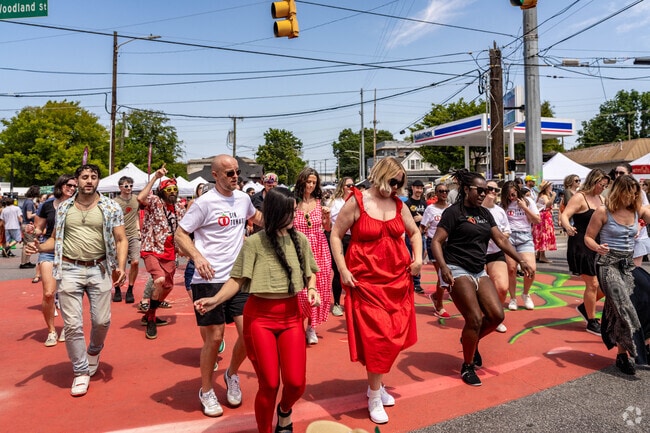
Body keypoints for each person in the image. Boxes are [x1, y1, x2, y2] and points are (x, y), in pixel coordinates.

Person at [194, 187, 319, 433]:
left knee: (296, 384)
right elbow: (237, 281)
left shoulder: (300, 240)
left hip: (292, 317)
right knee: (269, 383)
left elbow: (310, 272)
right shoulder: (254, 243)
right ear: (275, 212)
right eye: (290, 211)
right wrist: (215, 300)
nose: (295, 215)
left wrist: (312, 288)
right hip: (260, 319)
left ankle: (284, 411)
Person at [330, 157, 421, 425]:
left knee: (393, 336)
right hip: (366, 283)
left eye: (399, 184)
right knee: (378, 338)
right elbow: (335, 235)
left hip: (397, 281)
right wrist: (343, 270)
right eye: (393, 181)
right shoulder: (356, 201)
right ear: (382, 175)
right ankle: (373, 394)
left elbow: (414, 233)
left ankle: (377, 385)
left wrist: (417, 258)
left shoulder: (398, 204)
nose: (396, 187)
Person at [27, 164, 127, 396]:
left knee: (101, 321)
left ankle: (94, 350)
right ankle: (80, 370)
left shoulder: (110, 207)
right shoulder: (63, 208)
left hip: (99, 268)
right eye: (84, 177)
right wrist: (39, 247)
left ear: (98, 181)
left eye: (93, 177)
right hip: (70, 269)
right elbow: (54, 240)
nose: (89, 181)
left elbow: (121, 239)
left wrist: (120, 267)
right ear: (77, 181)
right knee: (72, 325)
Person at [176, 154, 264, 417]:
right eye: (229, 173)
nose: (235, 177)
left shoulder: (243, 199)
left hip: (238, 278)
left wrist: (284, 221)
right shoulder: (204, 204)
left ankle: (231, 374)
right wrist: (197, 257)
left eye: (237, 172)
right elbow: (180, 235)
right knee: (214, 339)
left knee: (249, 335)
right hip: (208, 279)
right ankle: (206, 390)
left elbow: (256, 217)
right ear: (215, 175)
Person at [431, 169, 534, 387]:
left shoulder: (485, 213)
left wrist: (521, 260)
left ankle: (470, 340)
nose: (483, 194)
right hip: (457, 268)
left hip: (479, 270)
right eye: (479, 190)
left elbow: (501, 240)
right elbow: (437, 241)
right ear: (467, 189)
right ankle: (467, 366)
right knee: (475, 319)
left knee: (497, 316)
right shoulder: (453, 212)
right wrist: (443, 267)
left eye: (486, 190)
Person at [584, 174, 650, 375]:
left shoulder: (637, 210)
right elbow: (588, 237)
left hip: (628, 264)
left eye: (636, 192)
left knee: (647, 295)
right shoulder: (603, 212)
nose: (632, 196)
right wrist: (597, 247)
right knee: (623, 305)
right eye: (629, 192)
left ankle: (644, 343)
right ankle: (626, 355)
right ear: (619, 191)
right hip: (607, 264)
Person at [137, 165, 186, 340]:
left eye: (175, 189)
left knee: (168, 286)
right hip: (151, 248)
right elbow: (141, 197)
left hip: (170, 251)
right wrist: (155, 177)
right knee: (158, 280)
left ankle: (150, 313)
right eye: (169, 189)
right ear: (162, 191)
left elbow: (182, 230)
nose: (172, 192)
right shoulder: (155, 202)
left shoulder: (179, 208)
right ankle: (150, 318)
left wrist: (184, 249)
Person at [559, 168, 609, 335]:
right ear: (594, 182)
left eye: (605, 185)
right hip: (580, 243)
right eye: (601, 184)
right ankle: (592, 321)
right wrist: (567, 226)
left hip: (598, 244)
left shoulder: (602, 199)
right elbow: (565, 215)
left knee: (606, 284)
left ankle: (585, 307)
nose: (603, 188)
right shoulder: (580, 197)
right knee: (593, 283)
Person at [33, 175, 77, 346]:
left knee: (68, 293)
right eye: (69, 185)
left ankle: (68, 326)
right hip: (50, 251)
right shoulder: (46, 205)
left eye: (75, 186)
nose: (72, 188)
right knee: (49, 293)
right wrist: (33, 230)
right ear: (61, 185)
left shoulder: (77, 205)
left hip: (70, 252)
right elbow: (39, 228)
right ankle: (51, 330)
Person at [293, 167, 332, 345]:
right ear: (301, 182)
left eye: (314, 182)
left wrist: (327, 218)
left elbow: (328, 228)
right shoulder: (293, 202)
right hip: (298, 248)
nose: (310, 185)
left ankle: (311, 327)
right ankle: (297, 324)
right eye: (308, 181)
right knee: (300, 289)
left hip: (319, 247)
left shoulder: (319, 202)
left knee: (319, 287)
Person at [500, 180, 540, 311]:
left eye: (514, 194)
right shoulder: (503, 205)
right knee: (511, 269)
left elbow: (537, 220)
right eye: (509, 195)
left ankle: (526, 293)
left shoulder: (528, 201)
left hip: (524, 236)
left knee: (531, 268)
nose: (512, 197)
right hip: (509, 237)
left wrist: (524, 208)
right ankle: (513, 298)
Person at [482, 180, 511, 333]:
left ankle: (495, 316)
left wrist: (497, 236)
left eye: (496, 190)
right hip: (477, 253)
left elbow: (507, 231)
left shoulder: (499, 211)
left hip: (495, 252)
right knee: (479, 289)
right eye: (489, 189)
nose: (493, 192)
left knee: (501, 287)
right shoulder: (475, 209)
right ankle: (482, 315)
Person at [420, 182, 451, 318]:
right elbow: (422, 227)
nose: (444, 193)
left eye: (446, 191)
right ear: (436, 194)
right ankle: (439, 306)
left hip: (449, 244)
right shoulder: (430, 209)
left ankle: (435, 296)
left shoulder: (451, 209)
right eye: (441, 191)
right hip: (434, 243)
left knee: (449, 274)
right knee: (442, 274)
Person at [327, 176, 354, 317]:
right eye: (348, 185)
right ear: (342, 187)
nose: (351, 187)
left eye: (352, 185)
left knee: (354, 271)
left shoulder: (357, 200)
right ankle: (337, 303)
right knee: (338, 271)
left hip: (353, 238)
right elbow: (327, 222)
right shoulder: (334, 202)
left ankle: (353, 303)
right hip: (338, 238)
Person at [112, 176, 141, 304]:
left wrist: (139, 230)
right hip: (118, 236)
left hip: (133, 234)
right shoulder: (114, 202)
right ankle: (117, 288)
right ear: (120, 188)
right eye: (126, 186)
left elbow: (136, 216)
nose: (129, 188)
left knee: (135, 262)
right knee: (116, 266)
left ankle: (130, 288)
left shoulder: (136, 199)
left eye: (130, 186)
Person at [405, 179, 427, 293]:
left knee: (419, 259)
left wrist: (422, 219)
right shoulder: (407, 204)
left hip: (421, 235)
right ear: (412, 188)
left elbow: (429, 220)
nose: (419, 190)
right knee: (408, 259)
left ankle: (417, 283)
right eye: (417, 188)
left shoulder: (424, 204)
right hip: (409, 235)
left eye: (421, 188)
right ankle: (409, 281)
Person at [533, 180, 557, 264]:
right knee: (544, 234)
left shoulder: (541, 195)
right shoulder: (544, 196)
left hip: (542, 216)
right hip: (544, 217)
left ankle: (539, 254)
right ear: (546, 187)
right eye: (549, 186)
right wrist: (553, 196)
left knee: (541, 235)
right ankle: (542, 256)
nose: (551, 187)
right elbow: (548, 204)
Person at [20, 185, 40, 269]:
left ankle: (26, 261)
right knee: (28, 244)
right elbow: (29, 215)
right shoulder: (30, 202)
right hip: (28, 224)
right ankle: (24, 262)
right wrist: (38, 213)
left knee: (26, 244)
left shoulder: (27, 201)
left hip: (25, 224)